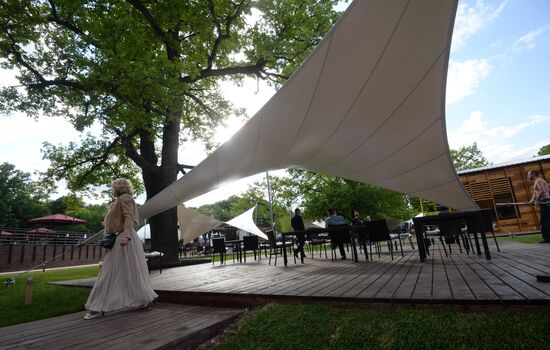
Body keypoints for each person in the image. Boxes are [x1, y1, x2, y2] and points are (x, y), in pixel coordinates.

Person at [84, 178, 158, 320]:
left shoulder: (125, 198)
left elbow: (129, 218)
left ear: (118, 187)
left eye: (114, 186)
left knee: (110, 271)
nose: (113, 189)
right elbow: (123, 219)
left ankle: (98, 307)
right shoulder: (123, 200)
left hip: (124, 239)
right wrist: (108, 224)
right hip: (124, 237)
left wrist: (125, 236)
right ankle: (143, 300)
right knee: (130, 271)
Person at [527, 170, 550, 243]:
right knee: (546, 220)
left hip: (545, 201)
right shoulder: (537, 181)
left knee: (544, 221)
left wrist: (537, 200)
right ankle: (547, 238)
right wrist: (531, 200)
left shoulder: (538, 180)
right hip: (545, 201)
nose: (528, 176)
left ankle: (547, 238)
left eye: (529, 174)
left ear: (533, 174)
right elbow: (535, 192)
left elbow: (542, 191)